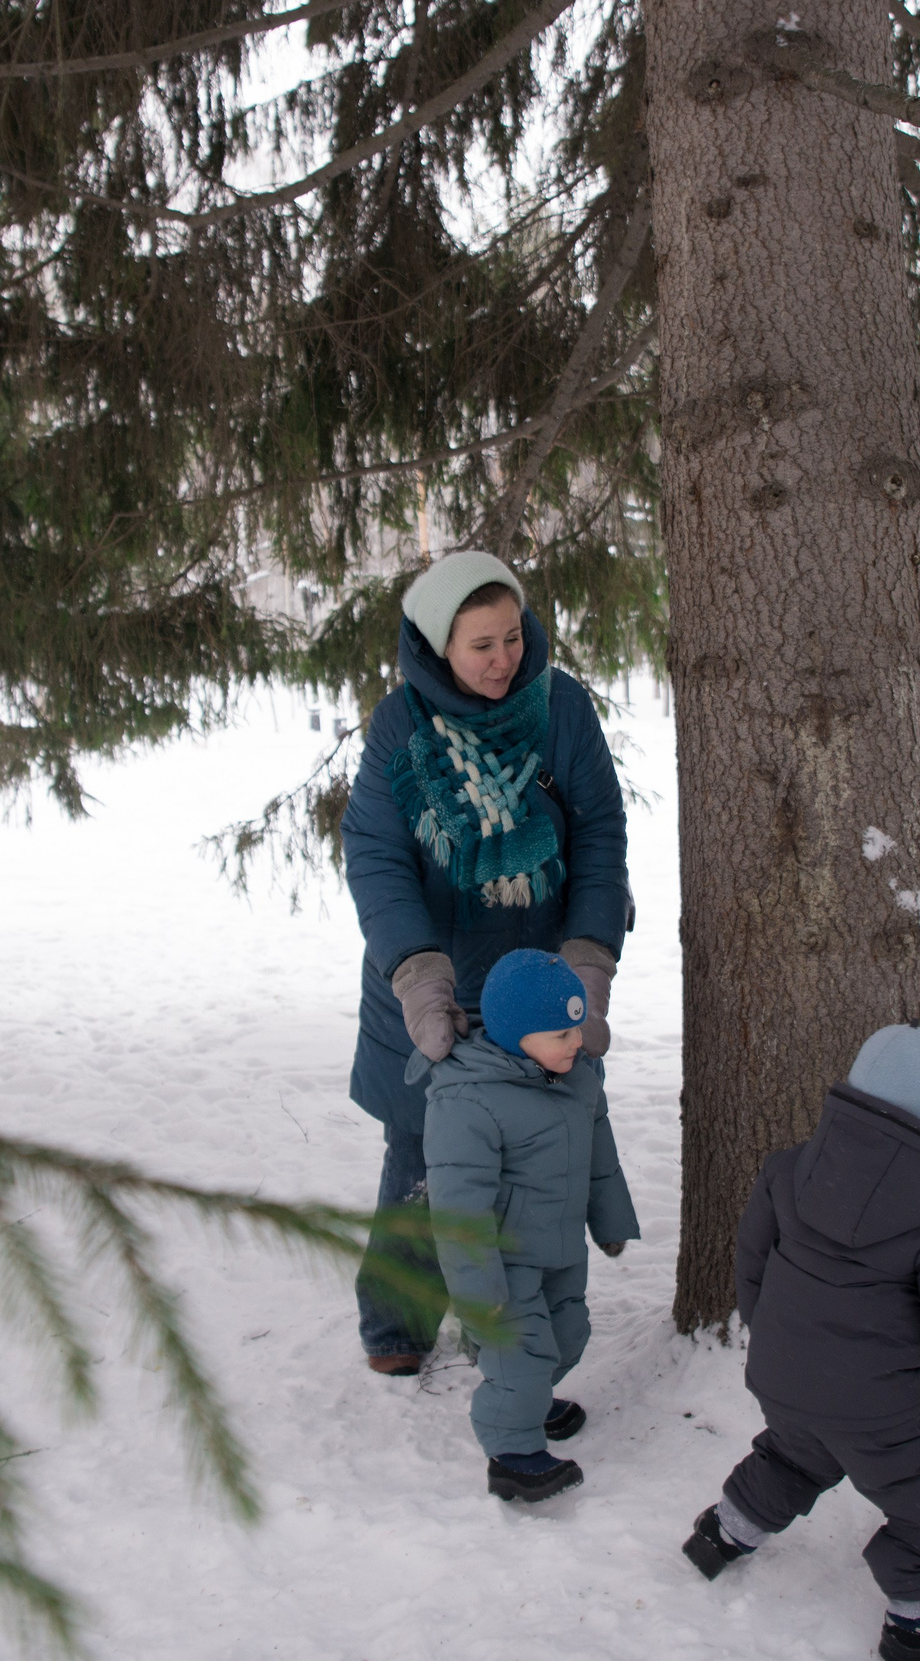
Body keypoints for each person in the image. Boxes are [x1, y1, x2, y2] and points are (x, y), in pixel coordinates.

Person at [341, 551, 631, 1376]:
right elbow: (376, 852)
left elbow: (600, 834)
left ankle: (501, 1320)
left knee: (526, 1160)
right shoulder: (402, 726)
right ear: (440, 646)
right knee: (421, 1157)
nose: (503, 658)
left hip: (535, 984)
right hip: (429, 979)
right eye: (480, 645)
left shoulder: (561, 708)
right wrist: (417, 973)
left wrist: (588, 959)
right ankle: (397, 1320)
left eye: (511, 636)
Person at [680, 1025, 920, 1661]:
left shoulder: (789, 1170)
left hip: (779, 1372)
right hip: (875, 1408)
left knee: (795, 1456)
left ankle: (725, 1532)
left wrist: (768, 1331)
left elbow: (752, 1261)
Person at [423, 949, 639, 1502]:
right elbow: (458, 1211)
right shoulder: (468, 1099)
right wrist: (479, 1294)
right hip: (504, 1260)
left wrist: (610, 1221)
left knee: (568, 1337)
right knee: (521, 1355)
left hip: (562, 1248)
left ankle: (529, 1398)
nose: (575, 1042)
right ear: (517, 1034)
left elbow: (600, 1158)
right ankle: (512, 1453)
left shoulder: (578, 1079)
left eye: (576, 1029)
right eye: (560, 1034)